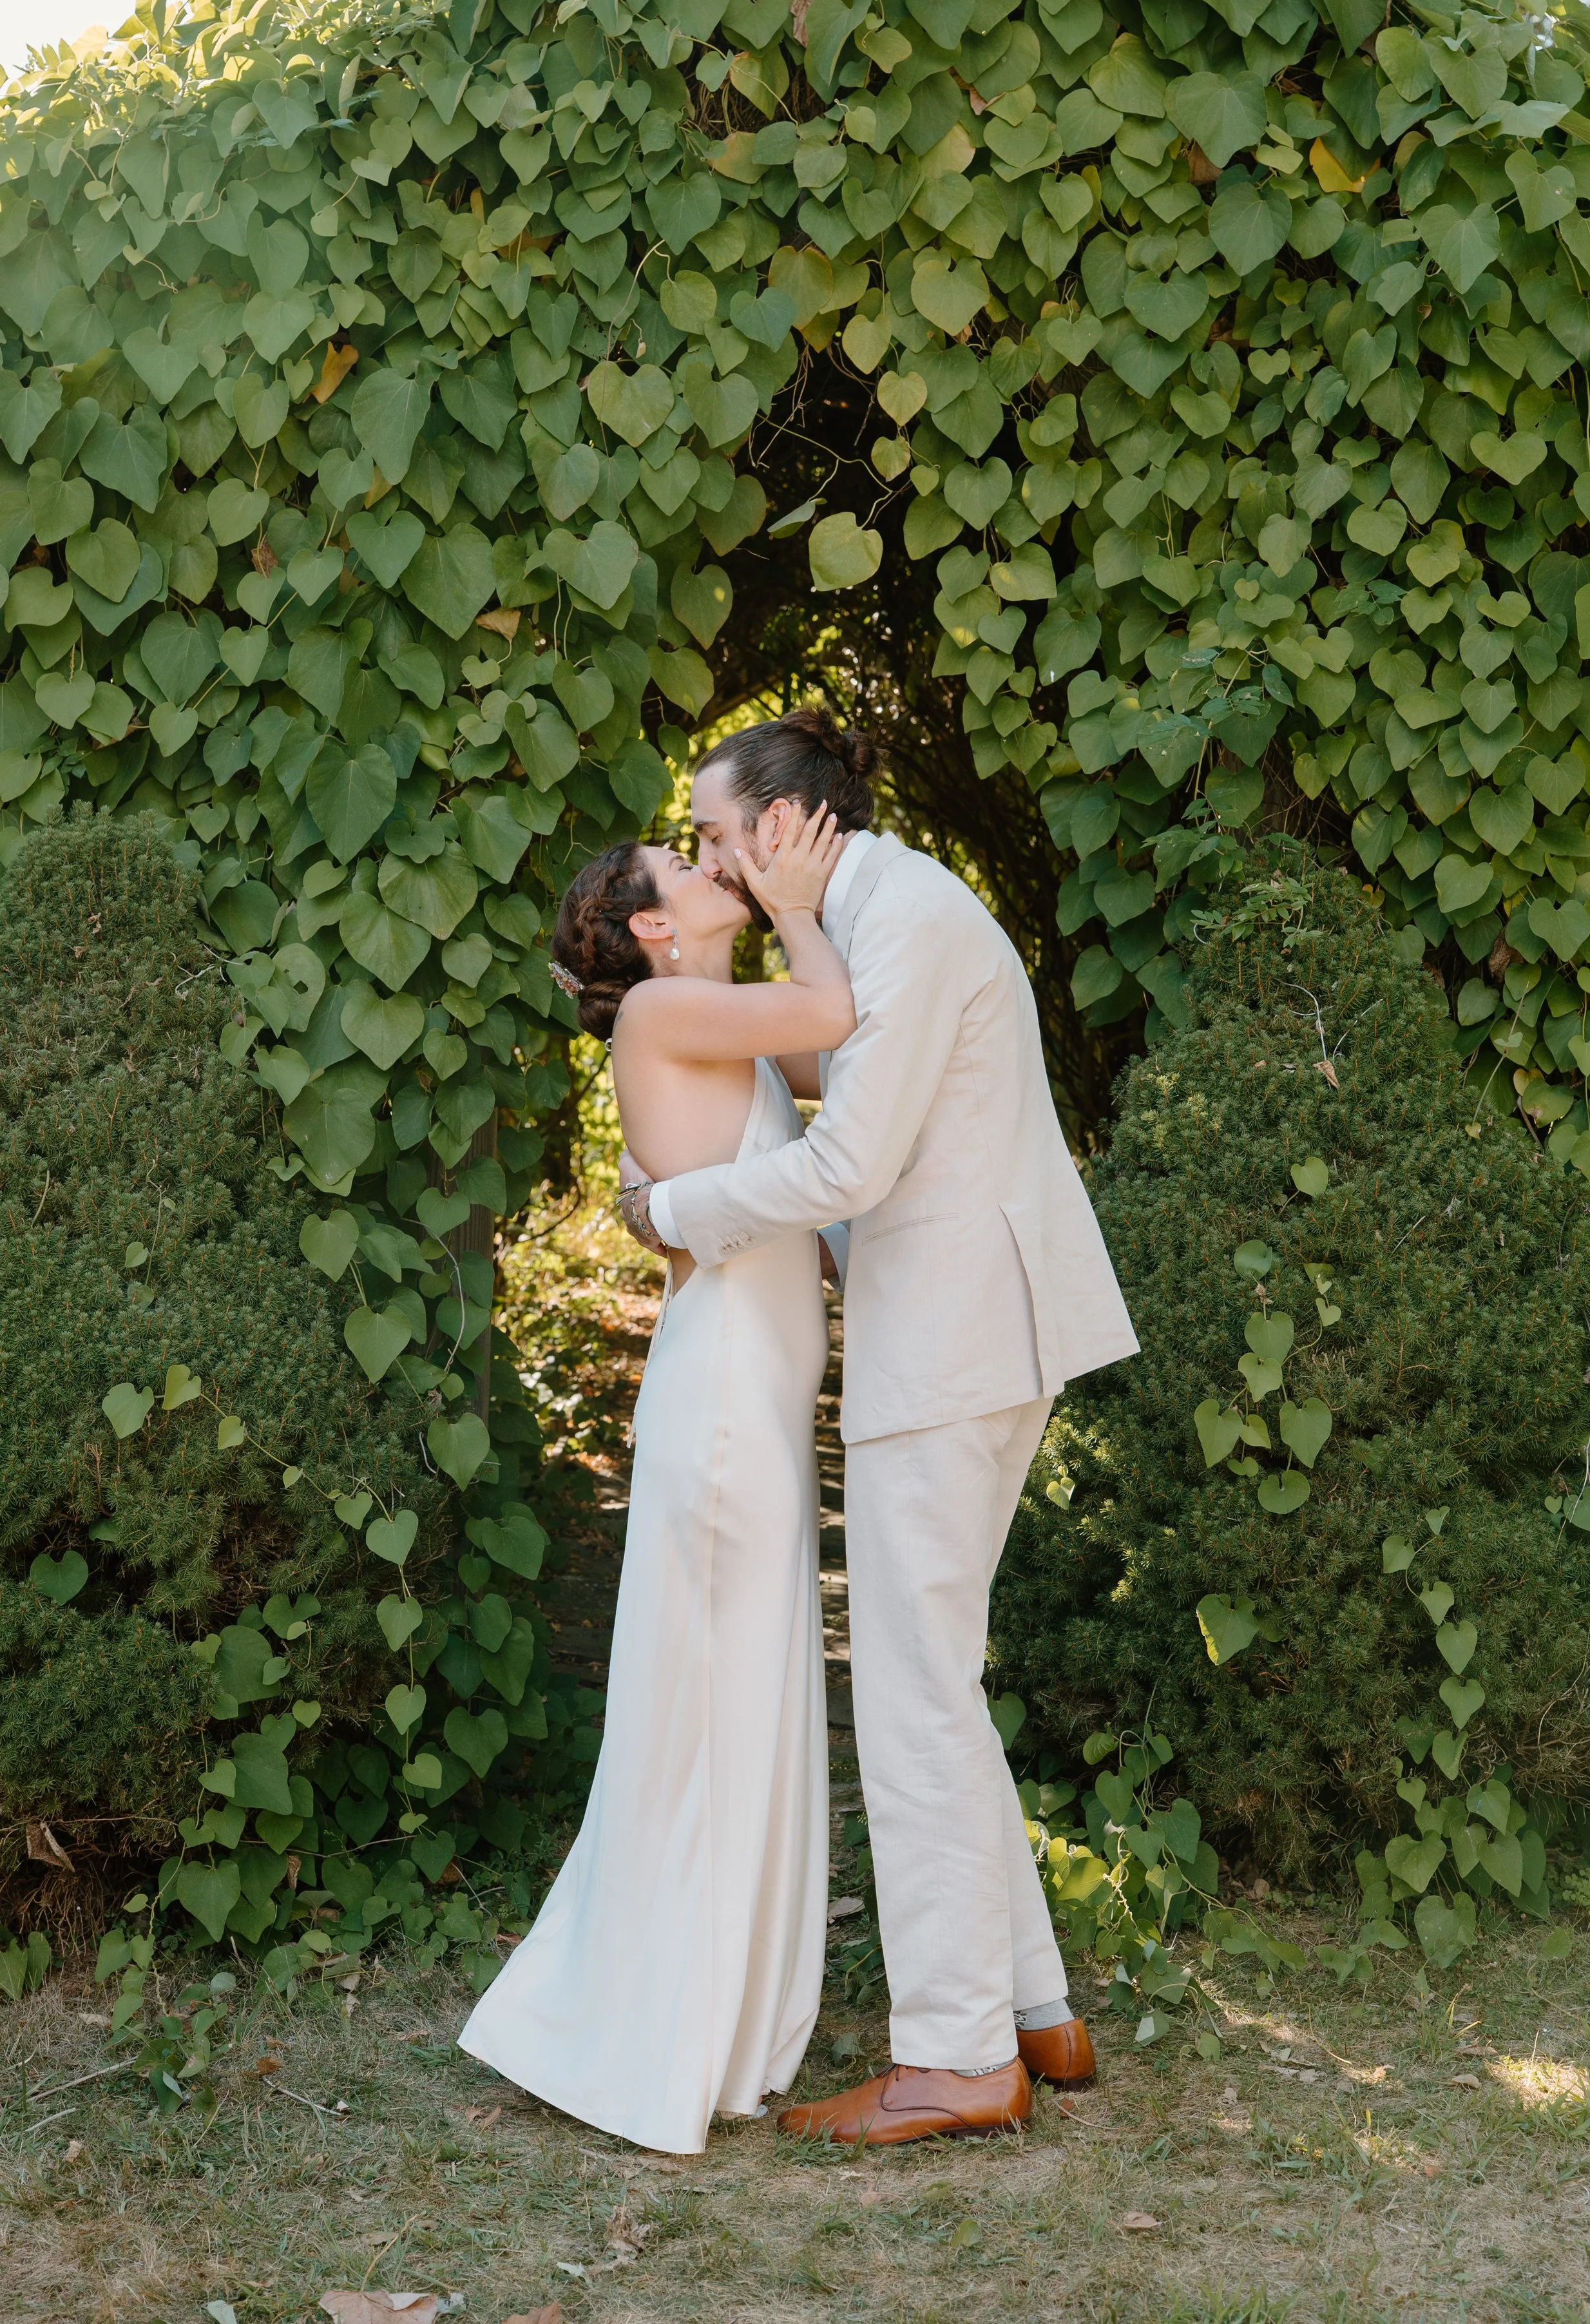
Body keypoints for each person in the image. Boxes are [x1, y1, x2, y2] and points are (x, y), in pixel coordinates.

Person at [619, 707, 1140, 2146]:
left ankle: (958, 2056)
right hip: (956, 1331)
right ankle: (1031, 2011)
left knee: (911, 1689)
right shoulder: (862, 925)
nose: (712, 864)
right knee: (936, 1680)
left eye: (719, 835)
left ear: (787, 822)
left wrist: (671, 1212)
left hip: (960, 1339)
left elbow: (851, 1158)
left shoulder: (898, 919)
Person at [458, 805, 854, 2155]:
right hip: (726, 1408)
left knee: (742, 1712)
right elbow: (838, 1011)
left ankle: (719, 2030)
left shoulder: (708, 1011)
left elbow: (843, 1054)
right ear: (647, 925)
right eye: (686, 866)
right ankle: (648, 2036)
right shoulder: (657, 1021)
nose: (712, 867)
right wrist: (796, 896)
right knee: (708, 1715)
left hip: (754, 1396)